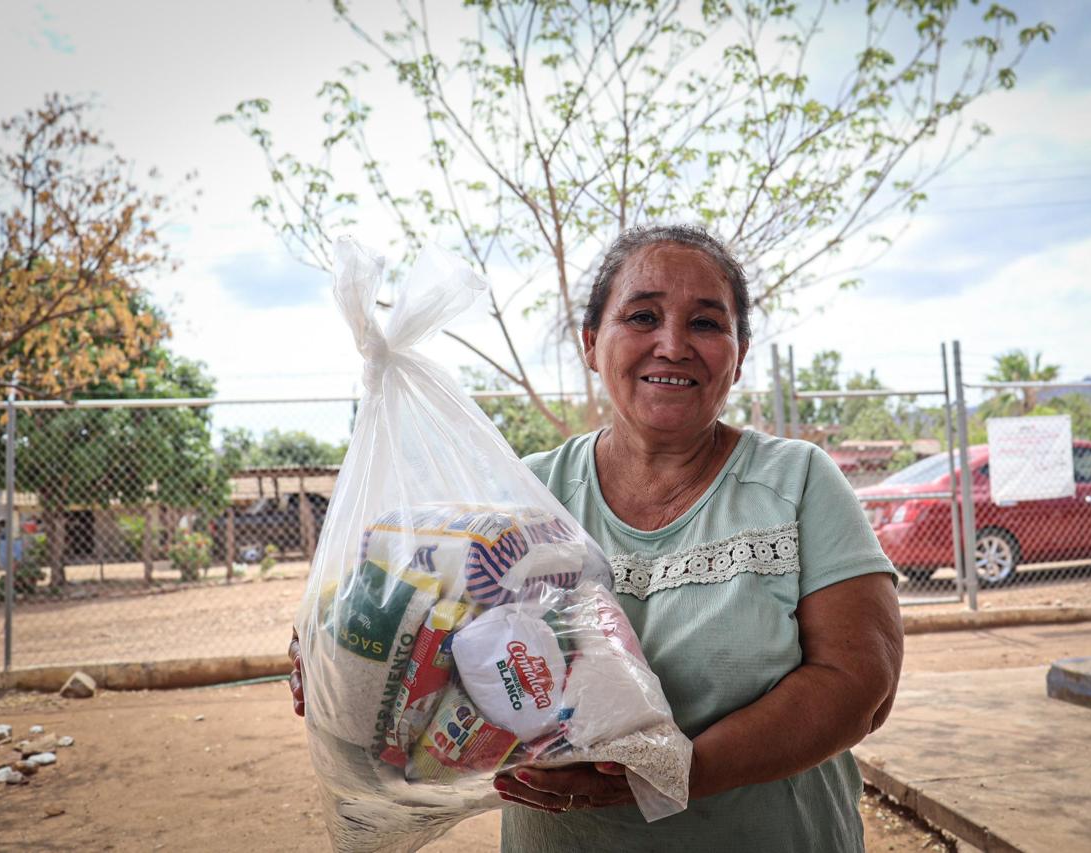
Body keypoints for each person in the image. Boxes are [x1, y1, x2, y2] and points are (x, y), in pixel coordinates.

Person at [290, 224, 904, 852]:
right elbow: (431, 651)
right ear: (591, 342)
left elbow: (858, 684)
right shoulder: (524, 494)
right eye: (642, 316)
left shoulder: (797, 480)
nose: (672, 345)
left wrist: (672, 773)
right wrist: (349, 667)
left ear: (739, 354)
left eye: (706, 324)